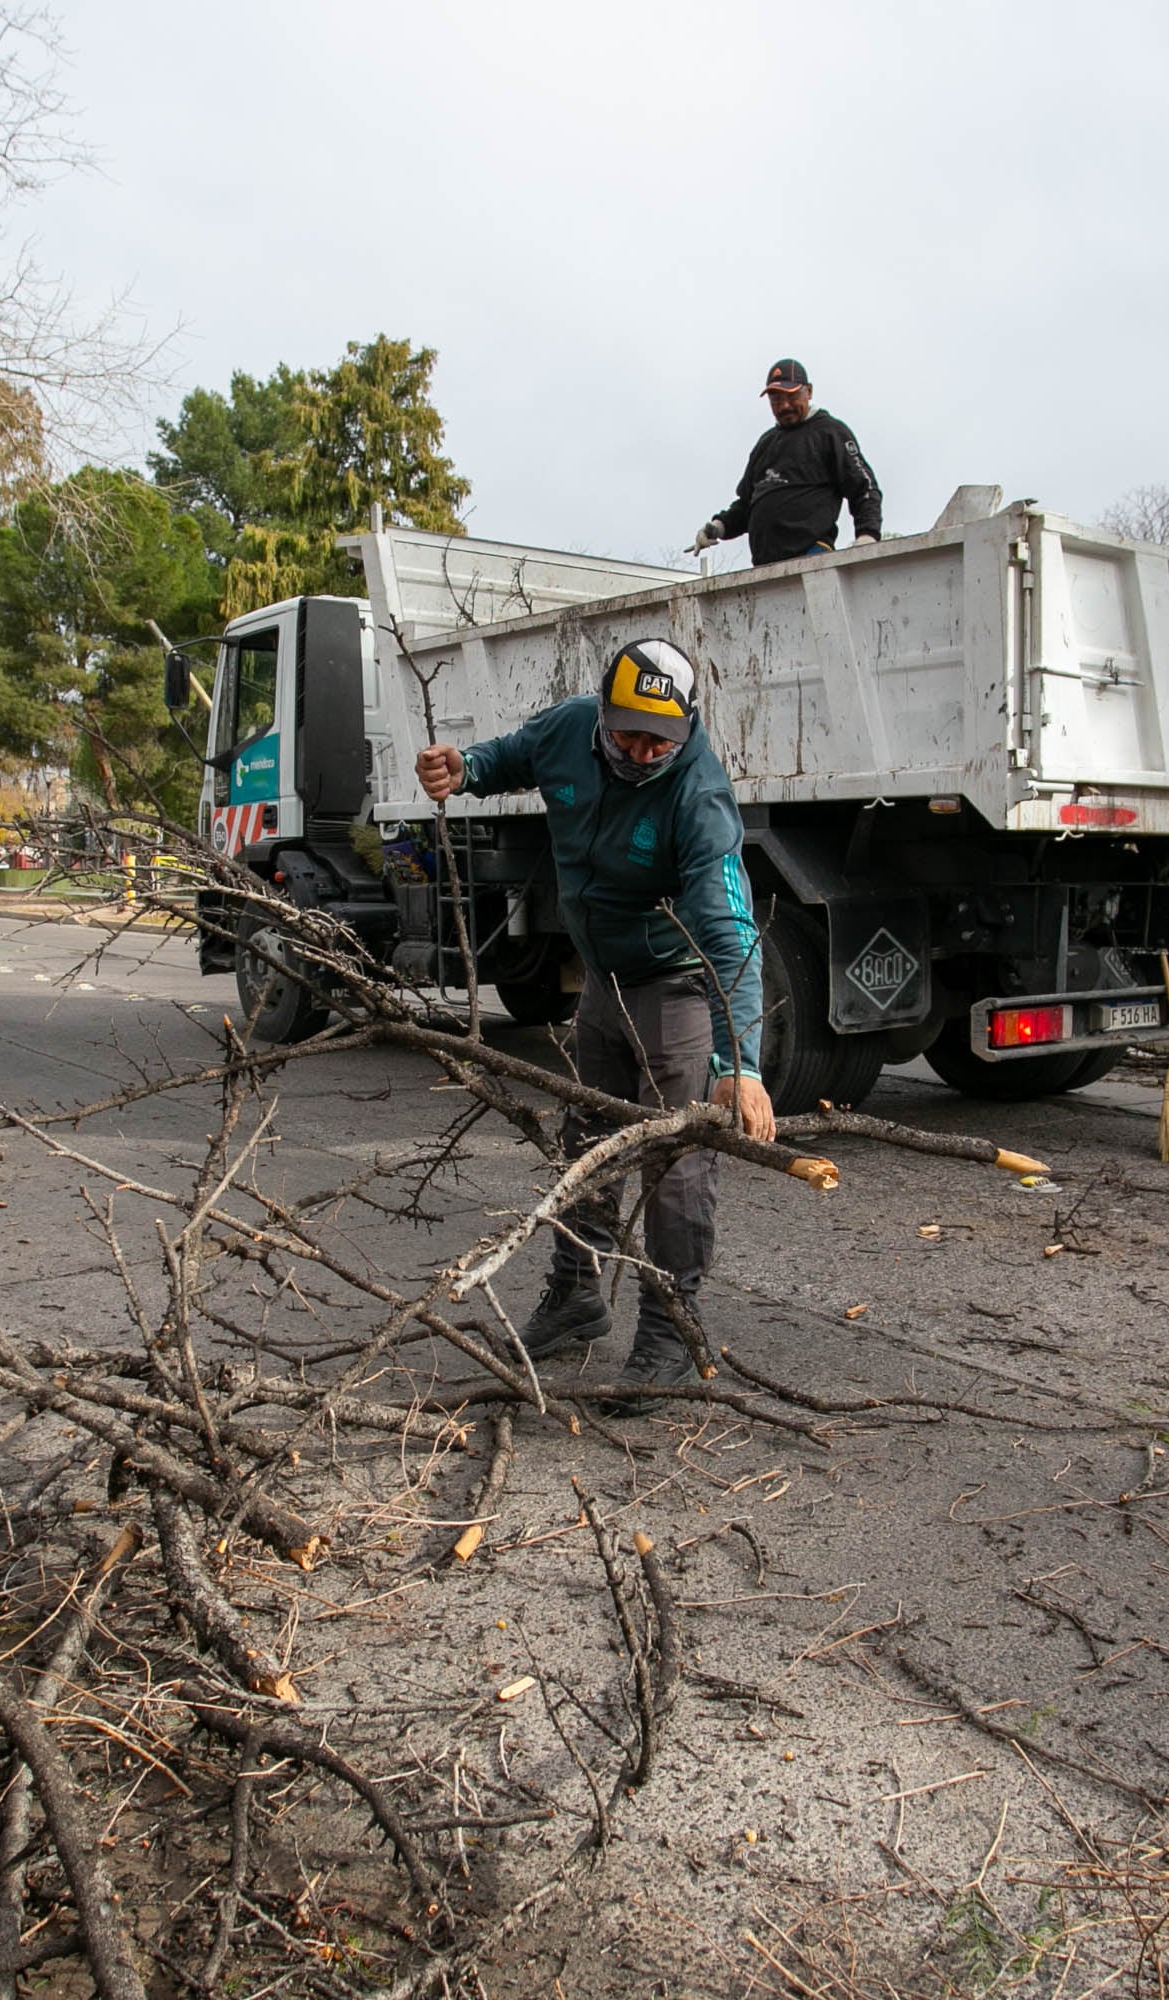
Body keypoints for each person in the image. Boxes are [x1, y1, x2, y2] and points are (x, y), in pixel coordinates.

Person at [414, 638, 772, 1414]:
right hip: (602, 983)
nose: (641, 753)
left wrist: (740, 1061)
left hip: (674, 989)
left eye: (658, 742)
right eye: (626, 735)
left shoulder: (696, 796)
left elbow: (729, 931)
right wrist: (463, 766)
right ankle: (576, 1296)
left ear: (685, 729)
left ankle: (672, 1332)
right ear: (603, 715)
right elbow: (512, 757)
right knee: (586, 1147)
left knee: (673, 1162)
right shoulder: (570, 729)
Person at [693, 358, 884, 565]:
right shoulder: (766, 443)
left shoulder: (830, 433)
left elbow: (864, 487)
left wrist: (867, 535)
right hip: (766, 567)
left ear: (808, 391)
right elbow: (746, 505)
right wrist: (718, 527)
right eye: (776, 399)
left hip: (813, 557)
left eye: (791, 396)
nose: (784, 406)